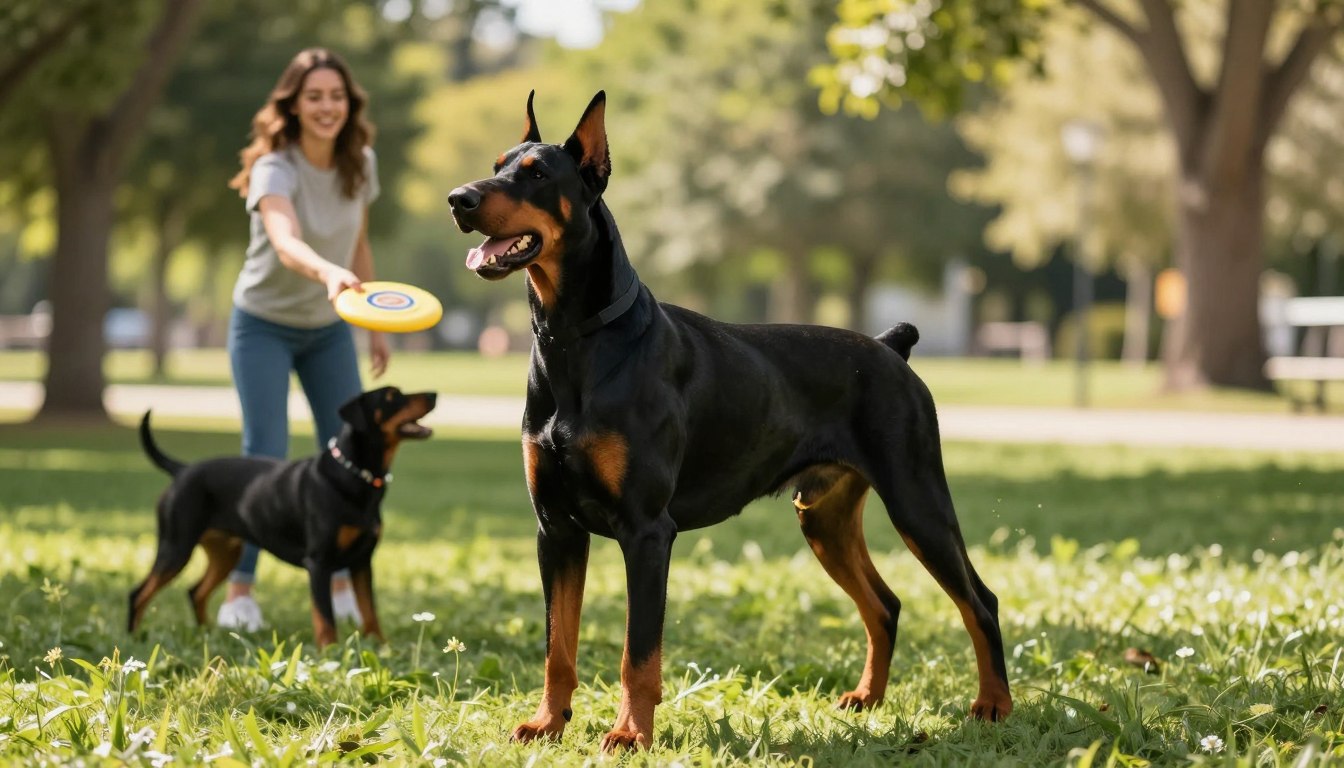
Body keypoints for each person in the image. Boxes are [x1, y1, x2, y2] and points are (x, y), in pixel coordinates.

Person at [220, 48, 388, 631]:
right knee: (264, 455)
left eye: (336, 96)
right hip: (262, 323)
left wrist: (373, 323)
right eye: (314, 96)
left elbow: (358, 244)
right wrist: (328, 273)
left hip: (328, 329)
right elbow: (285, 241)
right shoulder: (275, 167)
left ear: (349, 103)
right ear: (292, 104)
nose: (326, 107)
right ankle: (239, 592)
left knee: (347, 450)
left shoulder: (361, 163)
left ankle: (340, 582)